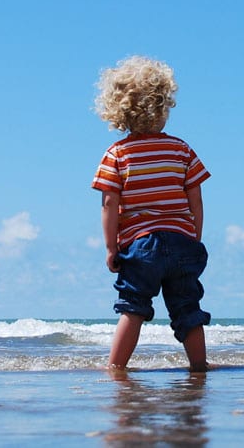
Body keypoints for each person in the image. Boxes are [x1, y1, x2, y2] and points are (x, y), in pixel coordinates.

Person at [91, 55, 212, 372]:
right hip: (183, 243)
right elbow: (195, 198)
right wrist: (194, 235)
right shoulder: (181, 149)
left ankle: (116, 367)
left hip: (141, 247)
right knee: (187, 307)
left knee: (133, 308)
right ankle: (199, 366)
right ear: (164, 106)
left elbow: (109, 204)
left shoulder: (117, 154)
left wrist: (111, 248)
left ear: (119, 111)